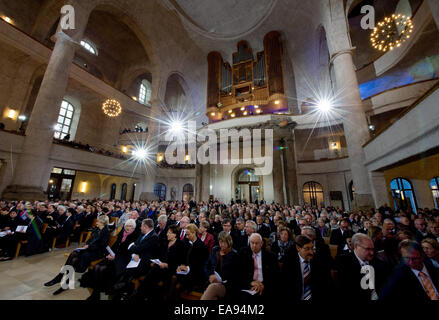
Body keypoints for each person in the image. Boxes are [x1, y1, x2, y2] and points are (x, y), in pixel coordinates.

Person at [44, 215, 110, 295]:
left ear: (102, 222)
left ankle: (62, 279)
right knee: (73, 255)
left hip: (97, 252)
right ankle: (61, 278)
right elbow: (90, 239)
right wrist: (86, 245)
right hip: (89, 249)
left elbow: (102, 245)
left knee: (76, 259)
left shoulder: (106, 231)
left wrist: (89, 246)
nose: (96, 222)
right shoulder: (96, 229)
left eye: (98, 221)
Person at [82, 219, 139, 300]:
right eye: (126, 226)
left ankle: (101, 292)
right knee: (97, 267)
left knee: (102, 269)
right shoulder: (122, 233)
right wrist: (110, 253)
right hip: (114, 255)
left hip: (123, 259)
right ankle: (96, 294)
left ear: (133, 228)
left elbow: (128, 252)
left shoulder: (135, 236)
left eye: (130, 226)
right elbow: (116, 245)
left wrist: (115, 256)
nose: (128, 228)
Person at [131, 224, 187, 301]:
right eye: (167, 232)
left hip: (170, 268)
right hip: (159, 265)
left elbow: (179, 261)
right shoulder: (165, 242)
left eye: (170, 233)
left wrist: (167, 265)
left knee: (153, 273)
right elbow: (158, 255)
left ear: (175, 234)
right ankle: (142, 295)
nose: (167, 234)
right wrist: (155, 261)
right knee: (152, 270)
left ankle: (138, 295)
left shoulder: (181, 245)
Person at [111, 218, 159, 300]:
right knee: (123, 270)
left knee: (127, 273)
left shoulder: (154, 237)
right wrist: (133, 253)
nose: (140, 228)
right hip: (134, 259)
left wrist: (134, 248)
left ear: (145, 226)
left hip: (144, 262)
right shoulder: (142, 233)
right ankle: (119, 293)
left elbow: (136, 247)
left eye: (141, 226)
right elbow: (131, 246)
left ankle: (119, 292)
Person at [281, 235, 333, 301]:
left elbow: (329, 285)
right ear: (298, 248)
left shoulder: (320, 261)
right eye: (307, 249)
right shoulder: (289, 262)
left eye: (312, 248)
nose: (311, 252)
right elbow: (284, 287)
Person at [238, 233, 279, 303]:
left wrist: (262, 285)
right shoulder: (243, 254)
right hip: (249, 286)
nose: (254, 245)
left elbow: (275, 276)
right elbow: (239, 274)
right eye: (252, 243)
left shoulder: (271, 256)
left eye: (256, 243)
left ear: (261, 243)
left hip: (266, 287)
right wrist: (250, 283)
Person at [171, 224, 209, 298]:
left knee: (177, 283)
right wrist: (181, 266)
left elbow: (200, 265)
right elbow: (184, 258)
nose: (187, 237)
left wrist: (187, 268)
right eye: (186, 235)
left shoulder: (202, 246)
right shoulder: (188, 243)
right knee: (172, 277)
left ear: (194, 233)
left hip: (196, 274)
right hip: (187, 271)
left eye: (188, 234)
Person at [335, 233, 377, 301]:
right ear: (356, 246)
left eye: (373, 249)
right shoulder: (343, 261)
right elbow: (347, 289)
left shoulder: (376, 261)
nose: (372, 253)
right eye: (368, 249)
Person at [201, 231, 239, 300]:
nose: (222, 244)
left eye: (224, 242)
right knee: (212, 296)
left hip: (225, 285)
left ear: (229, 242)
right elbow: (207, 265)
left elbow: (234, 273)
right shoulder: (215, 250)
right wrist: (210, 275)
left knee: (213, 287)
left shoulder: (234, 254)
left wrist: (220, 278)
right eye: (220, 242)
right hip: (211, 281)